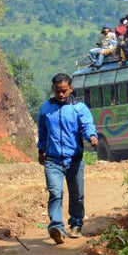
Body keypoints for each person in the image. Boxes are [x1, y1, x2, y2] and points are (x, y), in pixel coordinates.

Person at [37, 74, 98, 243]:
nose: (61, 95)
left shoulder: (79, 108)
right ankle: (57, 227)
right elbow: (42, 132)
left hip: (74, 159)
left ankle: (76, 223)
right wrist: (40, 151)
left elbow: (87, 125)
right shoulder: (46, 108)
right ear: (53, 90)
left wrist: (91, 137)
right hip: (52, 159)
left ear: (71, 89)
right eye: (58, 91)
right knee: (55, 192)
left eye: (64, 91)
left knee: (77, 194)